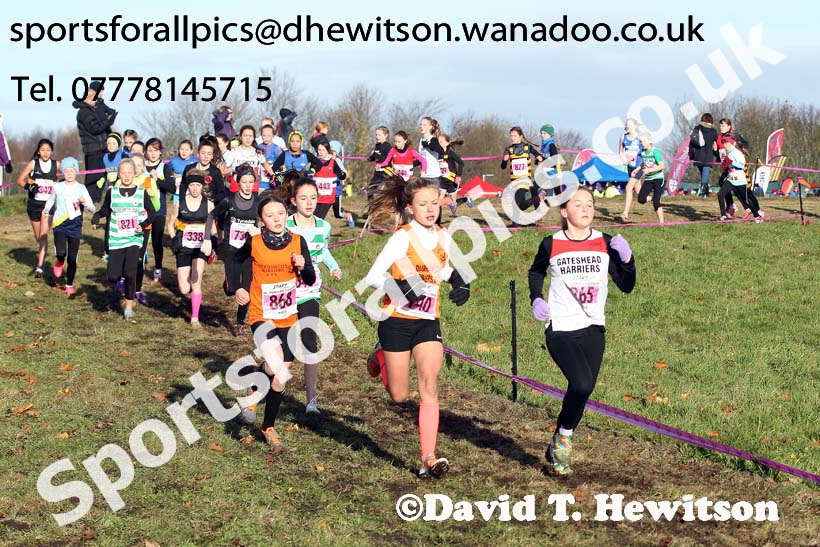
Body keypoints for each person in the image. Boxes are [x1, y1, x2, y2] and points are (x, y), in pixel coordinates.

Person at [364, 177, 472, 478]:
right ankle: (380, 357)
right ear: (410, 208)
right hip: (396, 321)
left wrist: (459, 282)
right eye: (423, 204)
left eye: (434, 203)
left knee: (429, 385)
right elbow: (372, 275)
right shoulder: (402, 237)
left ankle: (428, 457)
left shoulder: (444, 237)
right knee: (399, 396)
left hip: (427, 321)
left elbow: (443, 268)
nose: (430, 209)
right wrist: (398, 285)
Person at [527, 186, 636, 475]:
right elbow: (535, 271)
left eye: (590, 204)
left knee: (581, 390)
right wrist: (536, 298)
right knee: (582, 384)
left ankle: (559, 437)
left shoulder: (605, 242)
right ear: (564, 211)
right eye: (578, 204)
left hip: (593, 328)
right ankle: (564, 441)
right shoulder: (551, 244)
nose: (586, 209)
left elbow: (627, 285)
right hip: (561, 327)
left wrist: (627, 260)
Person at [228, 193, 316, 452]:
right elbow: (234, 260)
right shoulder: (254, 242)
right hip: (261, 315)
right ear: (261, 220)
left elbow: (310, 279)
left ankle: (267, 425)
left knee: (279, 378)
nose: (276, 219)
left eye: (280, 213)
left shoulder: (298, 241)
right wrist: (238, 288)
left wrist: (303, 266)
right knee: (278, 367)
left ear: (286, 214)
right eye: (270, 215)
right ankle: (262, 415)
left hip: (288, 317)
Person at [284, 176, 343, 415]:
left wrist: (333, 266)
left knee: (310, 343)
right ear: (293, 200)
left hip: (310, 291)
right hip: (285, 291)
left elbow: (324, 250)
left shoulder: (324, 227)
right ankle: (262, 389)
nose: (309, 203)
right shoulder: (285, 225)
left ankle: (311, 402)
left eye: (313, 198)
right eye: (303, 198)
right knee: (282, 346)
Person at [91, 159, 156, 323]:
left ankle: (128, 308)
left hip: (134, 238)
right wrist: (97, 216)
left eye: (129, 172)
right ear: (119, 174)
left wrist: (143, 224)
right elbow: (106, 209)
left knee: (130, 273)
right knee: (113, 276)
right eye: (123, 172)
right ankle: (121, 286)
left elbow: (153, 213)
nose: (126, 176)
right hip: (116, 239)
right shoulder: (112, 192)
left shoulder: (141, 192)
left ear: (135, 173)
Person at [201, 164, 260, 337]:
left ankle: (240, 323)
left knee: (246, 289)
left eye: (251, 182)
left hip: (249, 252)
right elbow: (211, 216)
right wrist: (207, 239)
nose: (248, 185)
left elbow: (266, 220)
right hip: (231, 251)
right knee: (232, 289)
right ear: (237, 182)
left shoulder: (258, 202)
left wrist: (259, 232)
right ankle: (229, 285)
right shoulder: (229, 201)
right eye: (245, 182)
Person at [167, 170, 216, 328]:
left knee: (196, 280)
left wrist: (212, 242)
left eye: (198, 185)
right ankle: (191, 297)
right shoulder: (179, 203)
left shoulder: (208, 205)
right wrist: (174, 238)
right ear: (188, 186)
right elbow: (170, 224)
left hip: (199, 247)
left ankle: (194, 318)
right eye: (192, 185)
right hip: (184, 246)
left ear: (202, 186)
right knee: (183, 288)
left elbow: (214, 228)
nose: (195, 188)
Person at [42, 157, 95, 296]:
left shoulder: (81, 188)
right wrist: (46, 210)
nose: (69, 173)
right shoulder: (58, 187)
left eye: (72, 170)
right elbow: (51, 200)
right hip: (59, 224)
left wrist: (85, 202)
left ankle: (69, 284)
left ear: (76, 172)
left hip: (75, 226)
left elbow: (92, 208)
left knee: (72, 258)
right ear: (62, 173)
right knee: (61, 253)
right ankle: (59, 262)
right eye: (66, 171)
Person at [16, 138, 60, 277]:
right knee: (38, 237)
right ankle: (43, 251)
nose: (46, 153)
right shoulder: (33, 163)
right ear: (38, 151)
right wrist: (30, 186)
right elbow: (19, 181)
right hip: (34, 205)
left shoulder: (56, 164)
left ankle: (39, 267)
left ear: (51, 151)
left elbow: (70, 173)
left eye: (48, 150)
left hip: (48, 205)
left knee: (43, 236)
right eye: (43, 150)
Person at [73, 80, 117, 203]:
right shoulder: (83, 112)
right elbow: (95, 128)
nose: (100, 95)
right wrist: (108, 120)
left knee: (105, 177)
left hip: (105, 149)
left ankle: (102, 201)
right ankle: (89, 202)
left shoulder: (98, 107)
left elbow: (107, 117)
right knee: (93, 178)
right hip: (93, 150)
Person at [144, 138, 177, 282]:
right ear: (145, 152)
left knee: (157, 241)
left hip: (159, 210)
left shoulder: (164, 167)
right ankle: (138, 266)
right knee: (141, 241)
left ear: (160, 152)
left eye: (155, 151)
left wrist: (156, 180)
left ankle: (158, 268)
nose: (152, 154)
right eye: (150, 150)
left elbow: (171, 187)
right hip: (141, 210)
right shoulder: (140, 166)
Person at [718, 136, 764, 223]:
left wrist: (731, 162)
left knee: (746, 201)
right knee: (720, 194)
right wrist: (724, 163)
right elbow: (726, 166)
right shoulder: (727, 153)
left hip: (740, 180)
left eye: (726, 143)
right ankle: (723, 215)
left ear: (731, 143)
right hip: (731, 178)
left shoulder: (737, 153)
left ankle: (757, 216)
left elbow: (742, 165)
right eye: (723, 143)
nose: (724, 145)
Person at [500, 127, 544, 215]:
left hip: (524, 180)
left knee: (515, 204)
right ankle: (537, 198)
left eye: (515, 136)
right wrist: (504, 161)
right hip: (514, 181)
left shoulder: (527, 147)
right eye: (511, 136)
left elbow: (539, 157)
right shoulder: (508, 149)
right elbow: (503, 167)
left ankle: (514, 224)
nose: (512, 137)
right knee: (521, 205)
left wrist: (539, 158)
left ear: (521, 136)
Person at [223, 125, 274, 191]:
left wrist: (273, 175)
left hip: (252, 189)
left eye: (250, 136)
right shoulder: (234, 151)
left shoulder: (257, 152)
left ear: (253, 138)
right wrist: (234, 168)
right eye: (245, 136)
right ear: (241, 137)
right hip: (237, 188)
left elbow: (265, 164)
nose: (247, 138)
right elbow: (223, 170)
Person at [634, 133, 665, 224]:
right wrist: (637, 169)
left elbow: (662, 166)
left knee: (656, 202)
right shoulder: (643, 152)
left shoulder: (655, 152)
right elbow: (644, 163)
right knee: (641, 199)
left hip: (658, 178)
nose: (641, 143)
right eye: (640, 141)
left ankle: (662, 223)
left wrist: (650, 170)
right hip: (648, 179)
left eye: (643, 141)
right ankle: (653, 198)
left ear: (649, 141)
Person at [312, 140, 347, 219]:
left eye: (323, 150)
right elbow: (311, 175)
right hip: (316, 197)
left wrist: (343, 175)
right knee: (312, 218)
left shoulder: (333, 162)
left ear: (328, 151)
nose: (321, 152)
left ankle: (347, 216)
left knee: (319, 218)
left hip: (328, 197)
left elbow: (341, 175)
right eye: (319, 150)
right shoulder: (314, 162)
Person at [688, 114, 719, 198]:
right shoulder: (713, 132)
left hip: (698, 156)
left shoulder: (697, 129)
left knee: (703, 175)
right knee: (705, 175)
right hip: (708, 157)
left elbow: (691, 143)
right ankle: (703, 194)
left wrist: (691, 155)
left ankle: (705, 193)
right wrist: (717, 154)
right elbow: (717, 145)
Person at [619, 119, 644, 220]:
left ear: (635, 126)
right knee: (640, 195)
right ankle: (654, 199)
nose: (627, 126)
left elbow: (646, 154)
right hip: (630, 167)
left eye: (629, 124)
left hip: (640, 167)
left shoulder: (640, 138)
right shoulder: (622, 137)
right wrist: (624, 160)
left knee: (628, 188)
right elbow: (620, 152)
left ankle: (625, 214)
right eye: (626, 124)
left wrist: (640, 166)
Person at [437, 134, 466, 216]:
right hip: (442, 180)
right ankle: (436, 223)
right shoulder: (438, 154)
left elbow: (461, 163)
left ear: (447, 143)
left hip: (451, 179)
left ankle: (466, 198)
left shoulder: (450, 153)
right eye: (438, 142)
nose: (439, 144)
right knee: (439, 202)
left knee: (454, 207)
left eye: (441, 142)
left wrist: (458, 176)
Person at [366, 126, 392, 200]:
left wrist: (375, 154)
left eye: (379, 135)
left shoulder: (387, 146)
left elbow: (386, 159)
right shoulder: (377, 145)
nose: (377, 137)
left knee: (385, 192)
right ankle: (371, 209)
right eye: (376, 135)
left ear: (386, 136)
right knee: (371, 190)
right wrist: (371, 158)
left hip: (386, 172)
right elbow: (376, 157)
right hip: (377, 172)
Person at [258, 124, 283, 191]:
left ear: (273, 136)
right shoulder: (258, 148)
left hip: (272, 183)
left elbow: (282, 163)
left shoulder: (276, 148)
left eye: (269, 136)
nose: (266, 137)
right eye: (264, 135)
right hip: (261, 183)